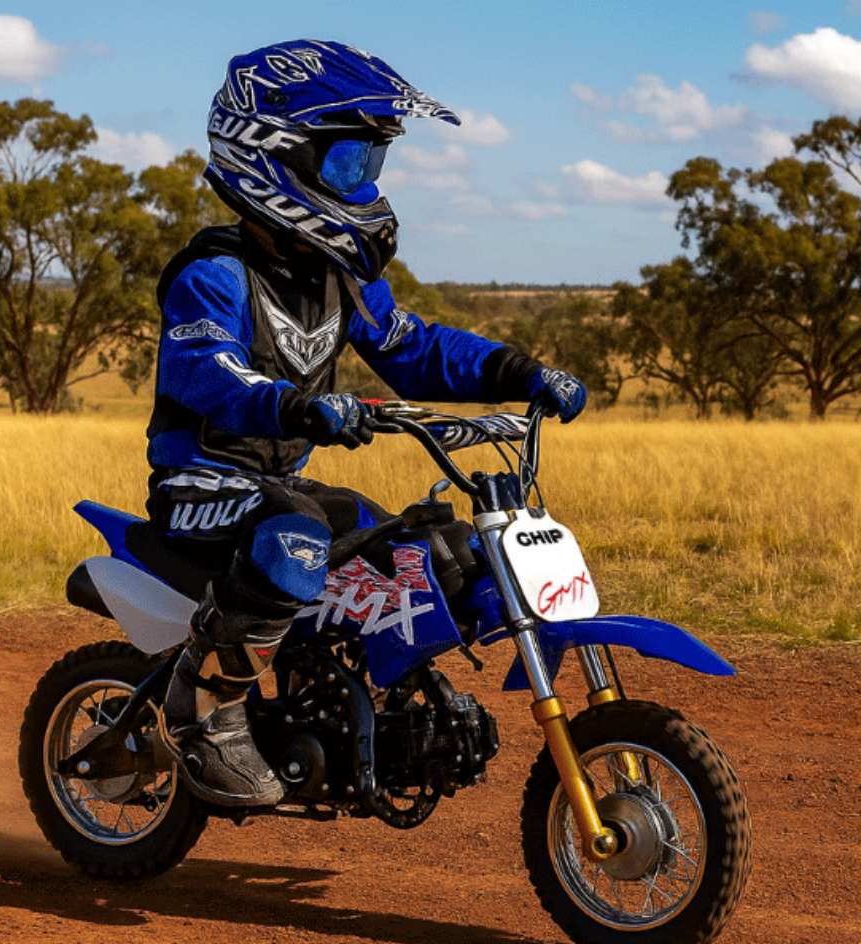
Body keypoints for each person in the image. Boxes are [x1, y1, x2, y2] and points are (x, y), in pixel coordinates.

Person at [146, 39, 587, 809]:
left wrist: (521, 374)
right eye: (349, 163)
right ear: (273, 157)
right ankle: (204, 714)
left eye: (371, 165)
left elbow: (414, 348)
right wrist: (294, 405)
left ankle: (366, 711)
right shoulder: (211, 274)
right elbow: (207, 372)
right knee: (296, 538)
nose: (365, 184)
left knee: (421, 550)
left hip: (278, 484)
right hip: (200, 483)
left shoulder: (339, 277)